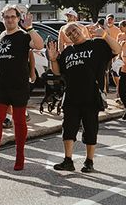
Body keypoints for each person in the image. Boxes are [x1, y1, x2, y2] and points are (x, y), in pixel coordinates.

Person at [0, 4, 43, 171]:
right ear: (2, 18)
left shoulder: (23, 36)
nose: (10, 20)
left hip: (19, 86)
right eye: (6, 17)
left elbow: (39, 45)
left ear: (18, 18)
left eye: (13, 17)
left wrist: (30, 28)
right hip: (1, 87)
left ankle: (20, 157)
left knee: (19, 122)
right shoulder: (0, 38)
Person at [48, 22, 120, 173]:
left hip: (91, 95)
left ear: (81, 29)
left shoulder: (97, 44)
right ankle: (68, 161)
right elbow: (57, 72)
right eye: (69, 33)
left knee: (90, 128)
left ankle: (89, 161)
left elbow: (117, 49)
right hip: (71, 95)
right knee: (68, 128)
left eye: (74, 30)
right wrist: (53, 59)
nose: (73, 34)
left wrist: (105, 35)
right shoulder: (67, 51)